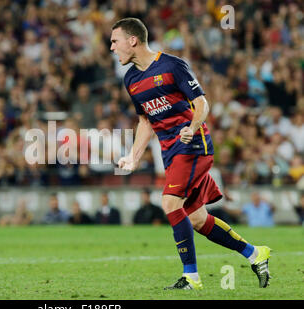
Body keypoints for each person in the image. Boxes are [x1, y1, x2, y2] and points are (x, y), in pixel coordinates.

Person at [111, 18, 271, 289]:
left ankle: (191, 277)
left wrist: (193, 126)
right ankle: (255, 253)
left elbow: (201, 103)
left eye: (115, 41)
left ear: (132, 40)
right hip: (170, 152)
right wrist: (134, 156)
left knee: (170, 204)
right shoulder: (131, 80)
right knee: (197, 218)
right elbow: (145, 122)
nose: (112, 48)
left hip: (194, 144)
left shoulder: (173, 66)